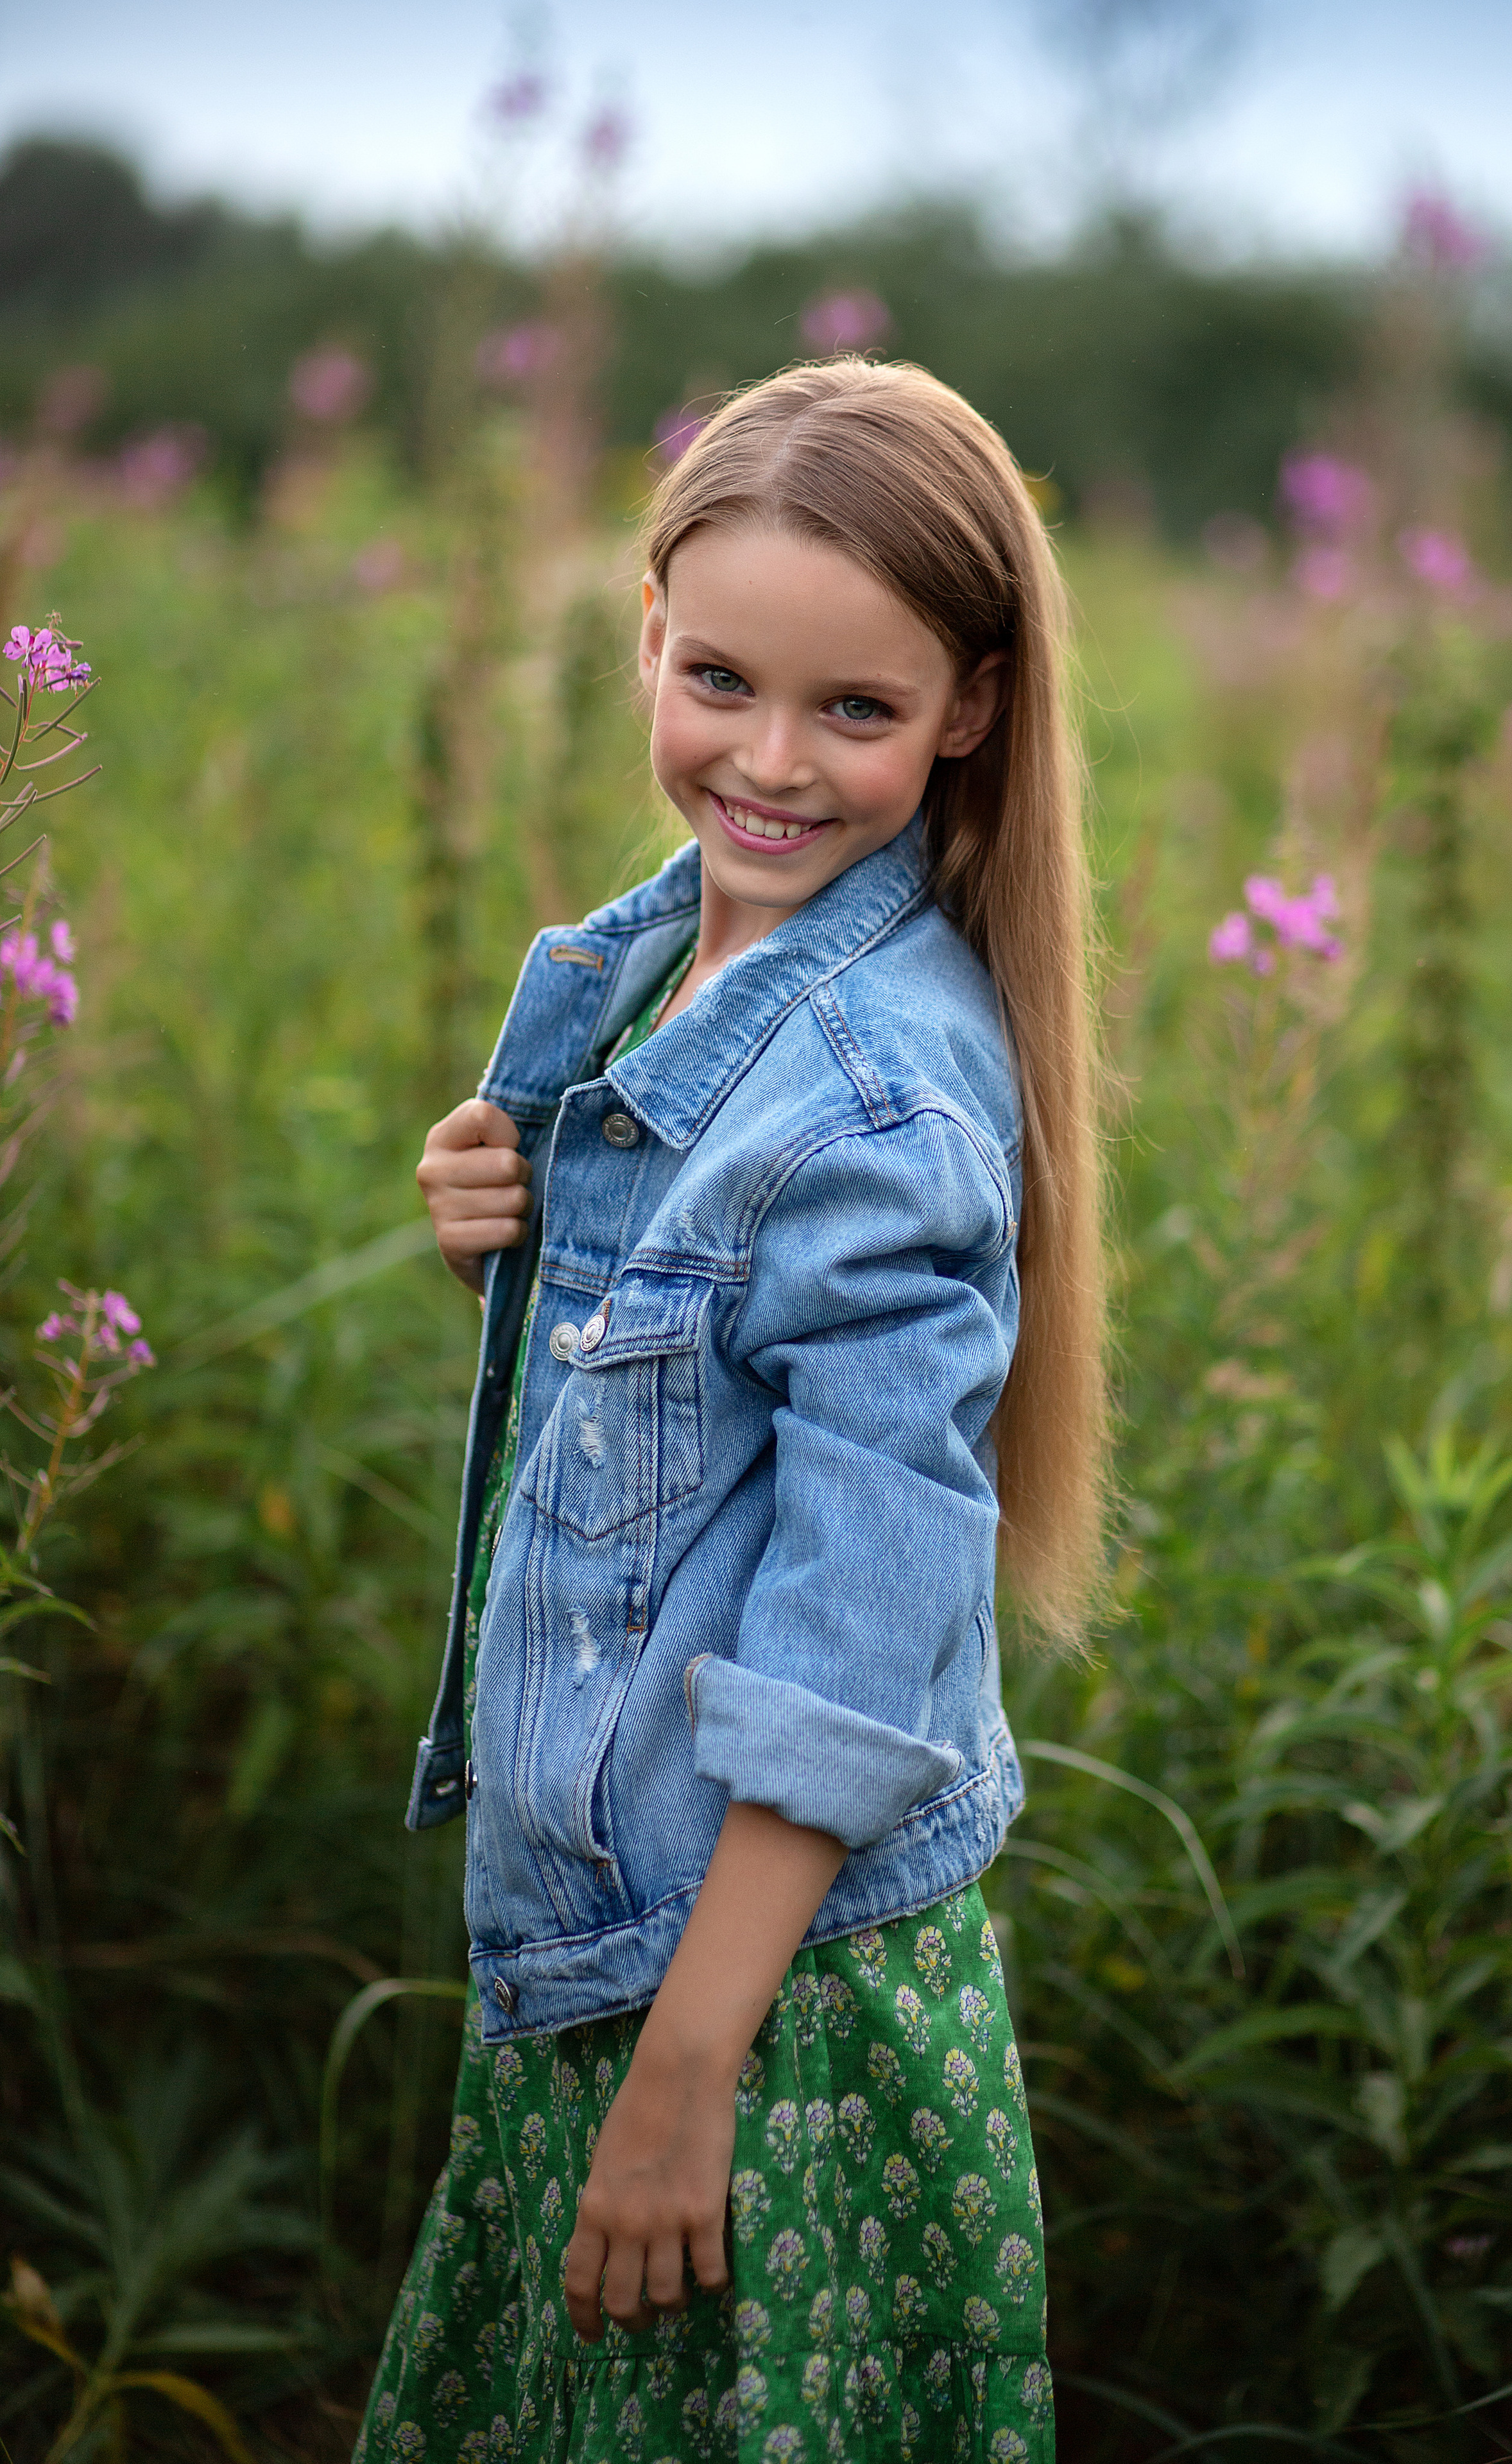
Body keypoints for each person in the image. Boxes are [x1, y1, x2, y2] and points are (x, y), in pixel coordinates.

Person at [359, 357, 1107, 2464]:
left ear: (968, 706)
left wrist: (688, 2079)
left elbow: (853, 1658)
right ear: (648, 638)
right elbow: (674, 1434)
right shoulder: (656, 962)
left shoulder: (877, 1096)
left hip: (763, 2020)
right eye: (719, 681)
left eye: (855, 712)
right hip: (619, 1959)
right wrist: (505, 1236)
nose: (768, 764)